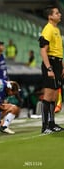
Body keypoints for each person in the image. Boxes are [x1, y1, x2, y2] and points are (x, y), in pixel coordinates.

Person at [38, 6, 64, 134]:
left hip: (57, 63)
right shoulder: (48, 29)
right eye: (57, 13)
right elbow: (43, 50)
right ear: (50, 16)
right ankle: (45, 126)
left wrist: (61, 65)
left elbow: (58, 50)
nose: (59, 15)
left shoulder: (56, 30)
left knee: (54, 96)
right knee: (48, 95)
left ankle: (52, 123)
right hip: (51, 62)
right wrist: (49, 68)